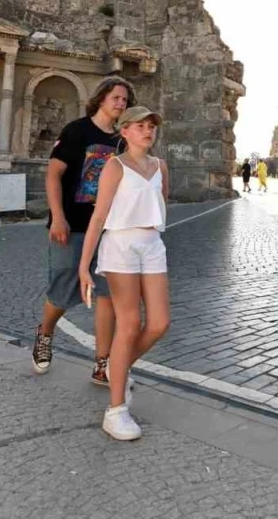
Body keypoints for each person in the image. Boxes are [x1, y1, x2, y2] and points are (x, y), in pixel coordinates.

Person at [33, 76, 135, 383]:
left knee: (106, 295)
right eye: (116, 97)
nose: (121, 104)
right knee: (63, 289)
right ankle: (45, 332)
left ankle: (102, 365)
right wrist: (58, 217)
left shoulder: (123, 140)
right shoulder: (77, 130)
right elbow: (53, 175)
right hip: (73, 225)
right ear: (101, 98)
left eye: (125, 100)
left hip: (109, 230)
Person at [79, 105, 170, 441]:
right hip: (120, 245)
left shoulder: (161, 166)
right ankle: (115, 410)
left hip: (152, 243)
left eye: (151, 126)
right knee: (129, 323)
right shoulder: (114, 166)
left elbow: (161, 204)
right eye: (140, 126)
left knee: (159, 323)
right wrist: (84, 265)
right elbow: (99, 216)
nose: (148, 131)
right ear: (125, 131)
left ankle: (116, 368)